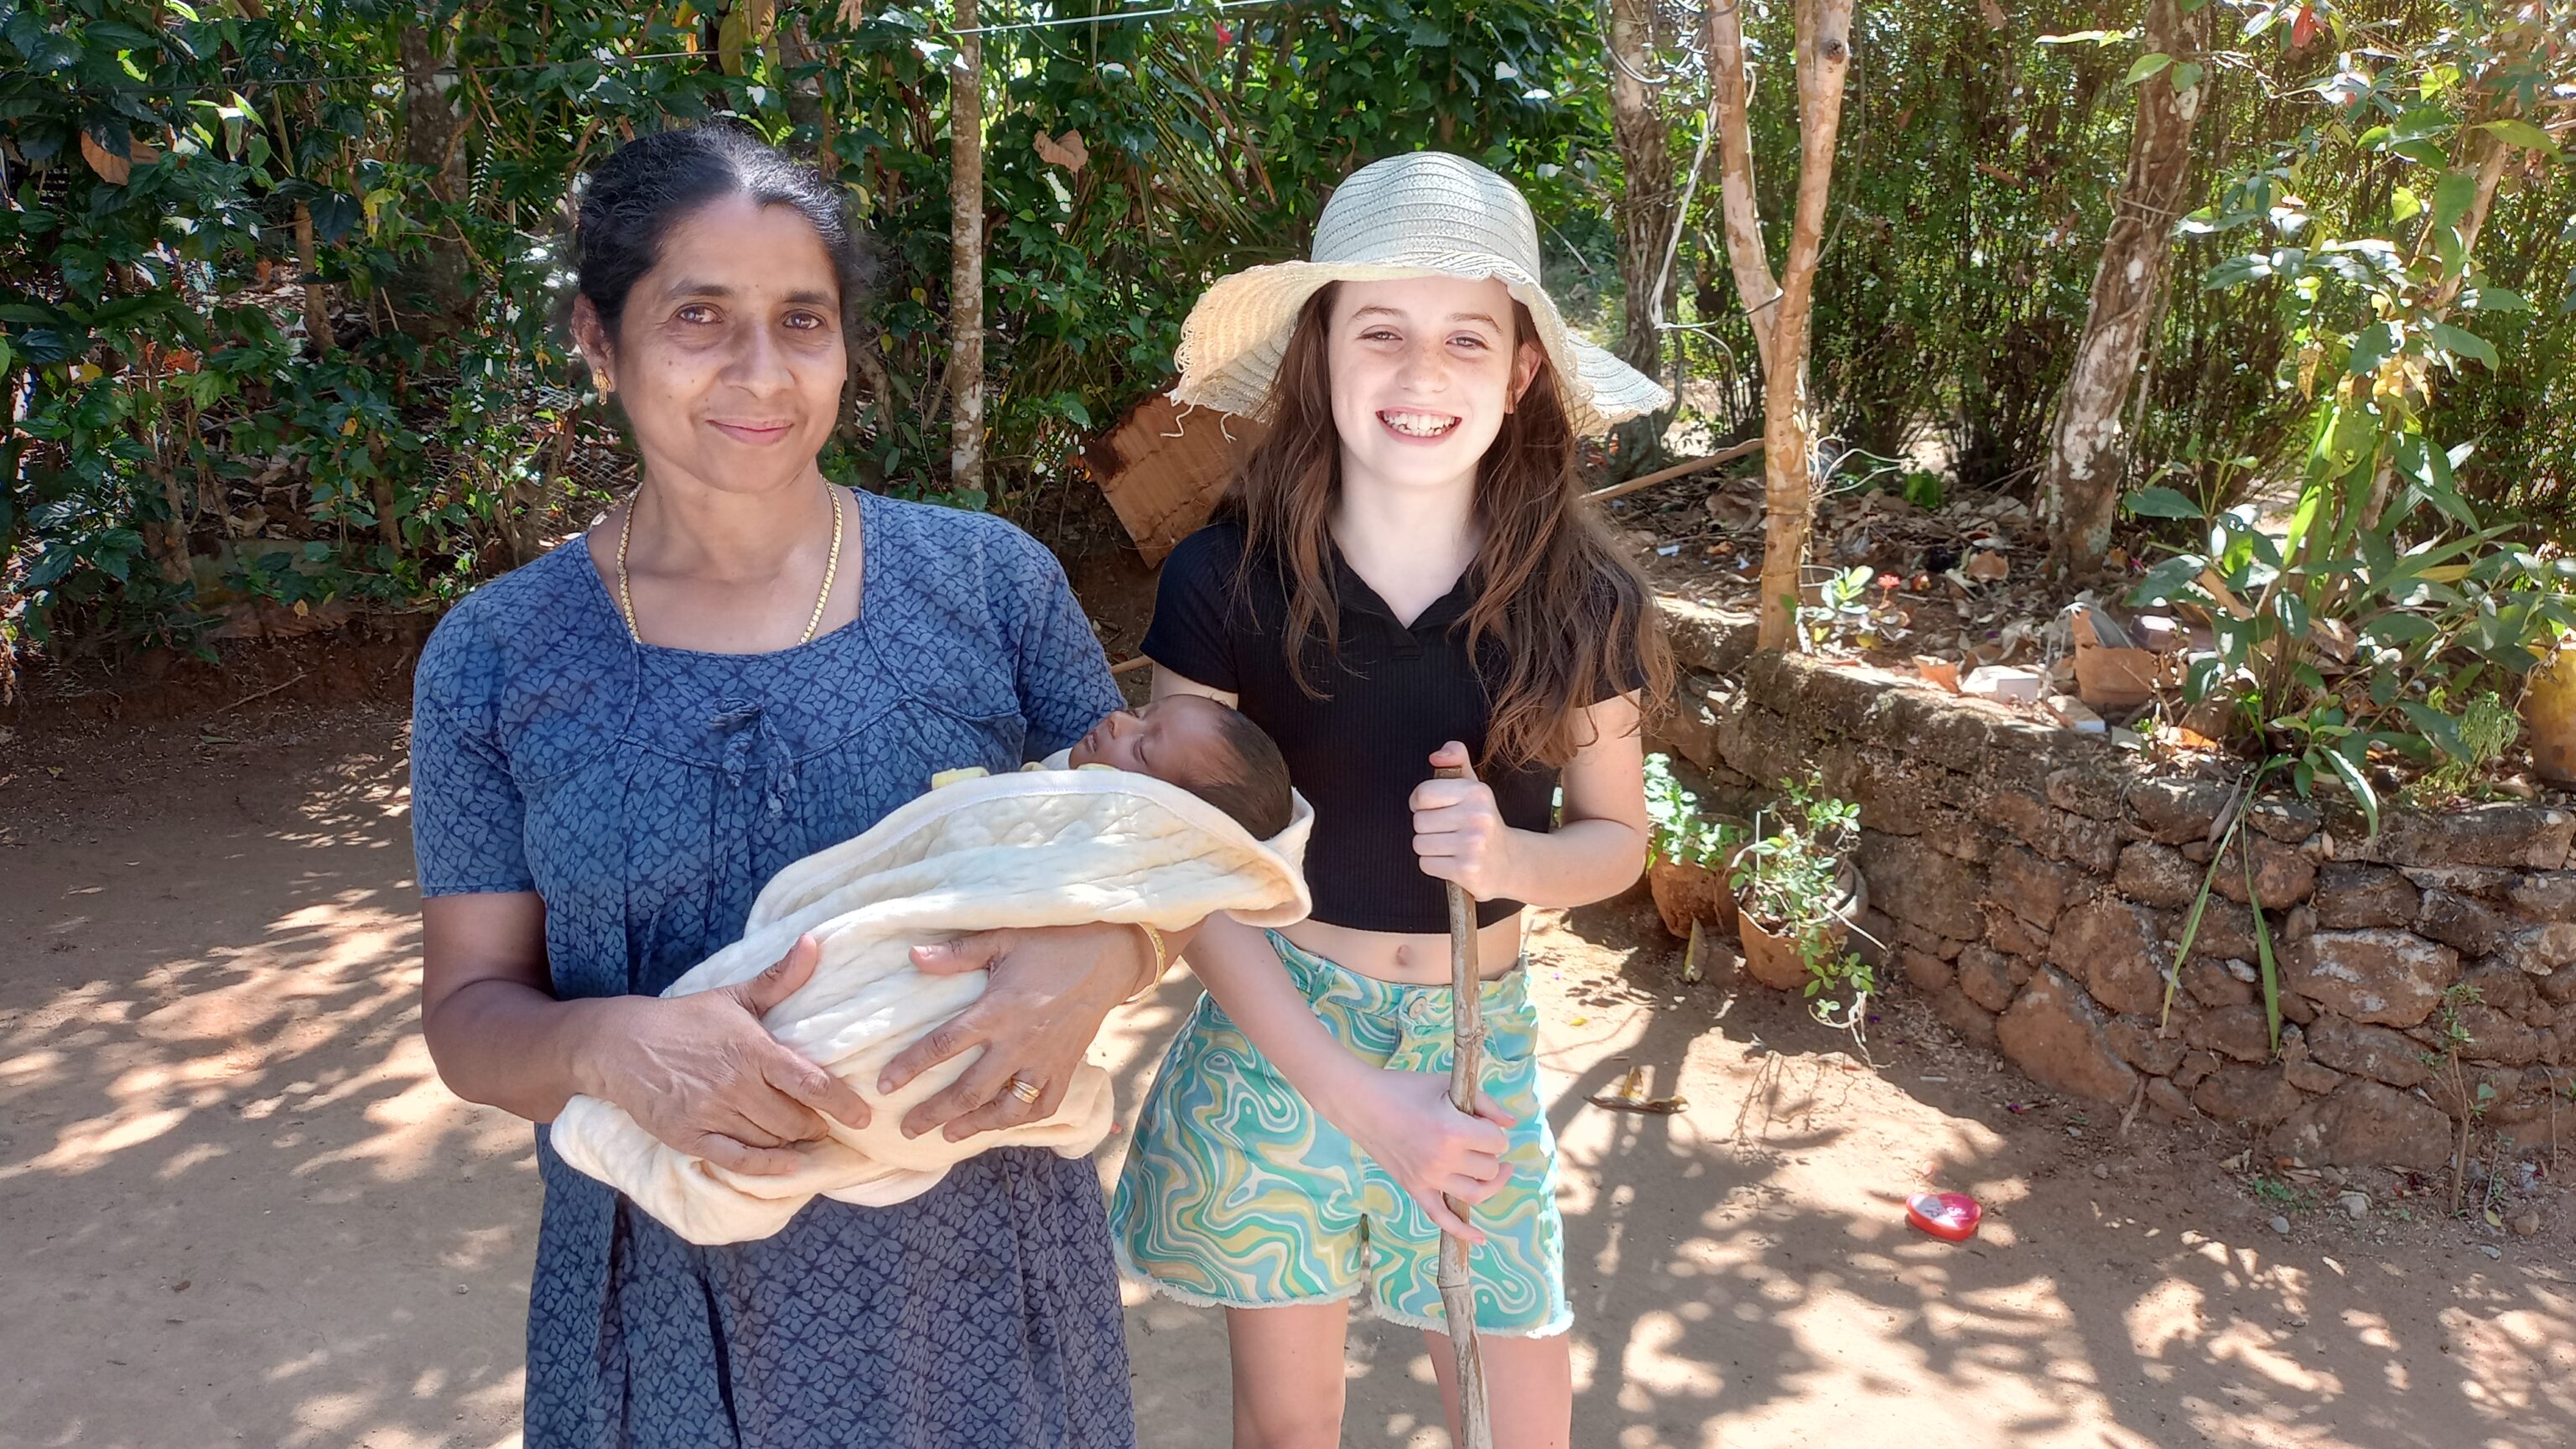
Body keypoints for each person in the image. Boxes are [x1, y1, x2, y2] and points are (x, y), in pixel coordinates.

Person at [409, 124, 1157, 1448]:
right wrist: (604, 1045)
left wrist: (1106, 954)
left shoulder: (987, 585)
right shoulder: (496, 654)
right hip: (662, 1302)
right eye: (699, 317)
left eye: (801, 320)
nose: (761, 373)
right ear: (600, 339)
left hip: (980, 1283)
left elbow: (1148, 845)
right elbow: (472, 1020)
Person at [1111, 152, 1675, 1449]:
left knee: (1518, 1416)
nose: (1423, 377)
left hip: (1483, 1053)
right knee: (1291, 1427)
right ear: (1318, 355)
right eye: (1382, 333)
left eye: (1467, 339)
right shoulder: (1220, 582)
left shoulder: (1584, 600)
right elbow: (1186, 867)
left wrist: (1518, 863)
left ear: (1521, 371)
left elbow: (1616, 840)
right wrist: (1359, 1098)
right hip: (1280, 1043)